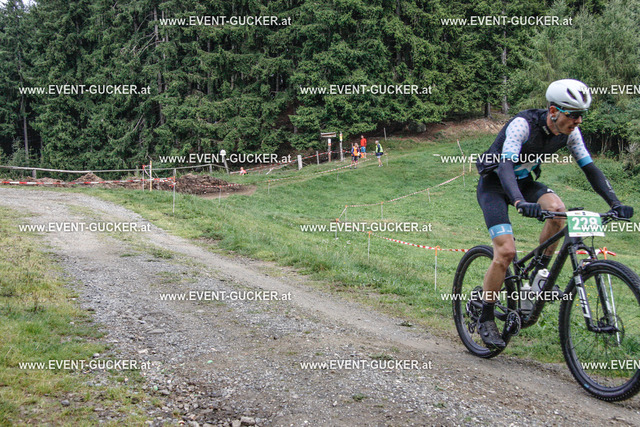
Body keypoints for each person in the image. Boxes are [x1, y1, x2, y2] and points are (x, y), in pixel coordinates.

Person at [475, 79, 633, 349]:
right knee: (506, 252)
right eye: (573, 115)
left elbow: (590, 169)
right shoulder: (522, 125)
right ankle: (486, 316)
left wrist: (615, 203)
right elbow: (505, 167)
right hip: (495, 184)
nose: (578, 121)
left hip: (524, 182)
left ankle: (538, 273)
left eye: (581, 115)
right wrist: (518, 201)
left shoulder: (570, 133)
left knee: (558, 211)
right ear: (553, 111)